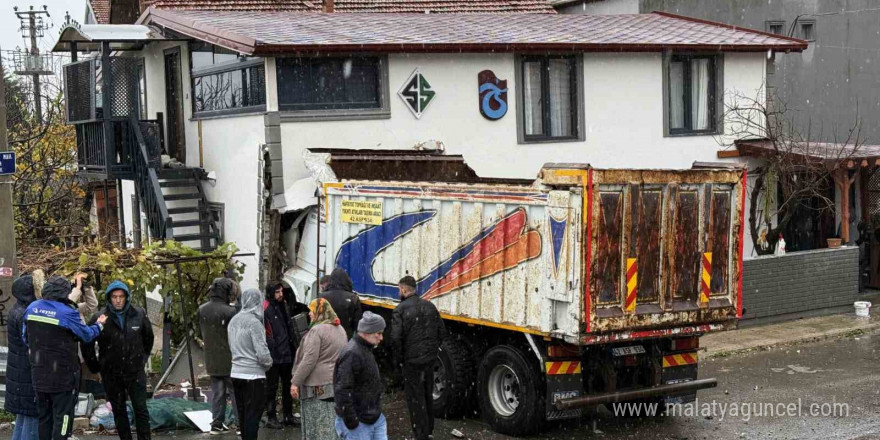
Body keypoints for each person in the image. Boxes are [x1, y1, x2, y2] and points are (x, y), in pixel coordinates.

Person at [23, 275, 107, 440]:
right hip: (62, 377)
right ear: (65, 293)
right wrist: (100, 325)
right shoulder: (67, 313)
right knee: (63, 417)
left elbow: (25, 338)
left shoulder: (32, 307)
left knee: (44, 417)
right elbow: (87, 335)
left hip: (39, 375)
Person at [83, 281, 154, 440]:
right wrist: (95, 366)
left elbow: (148, 338)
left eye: (121, 296)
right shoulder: (100, 317)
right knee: (119, 410)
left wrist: (142, 359)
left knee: (141, 409)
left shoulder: (139, 314)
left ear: (126, 297)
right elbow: (86, 340)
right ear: (109, 298)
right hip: (111, 373)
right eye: (114, 297)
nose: (118, 300)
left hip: (134, 372)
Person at [391, 276, 447, 440]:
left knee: (415, 399)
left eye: (398, 289)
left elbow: (395, 338)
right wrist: (431, 351)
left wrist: (400, 359)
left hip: (412, 362)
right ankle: (428, 430)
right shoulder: (430, 306)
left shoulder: (400, 310)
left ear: (403, 289)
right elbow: (441, 332)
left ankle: (420, 434)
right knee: (426, 394)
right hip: (429, 360)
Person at [290, 298, 347, 440]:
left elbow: (309, 360)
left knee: (317, 425)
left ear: (319, 311)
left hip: (317, 386)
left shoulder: (316, 331)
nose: (309, 314)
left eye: (311, 311)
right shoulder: (340, 328)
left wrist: (295, 382)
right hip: (335, 383)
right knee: (331, 423)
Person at [333, 311, 388, 440]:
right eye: (378, 333)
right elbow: (342, 390)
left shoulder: (364, 349)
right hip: (360, 423)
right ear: (367, 332)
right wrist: (352, 421)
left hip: (373, 418)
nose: (381, 338)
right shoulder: (352, 353)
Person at [228, 289, 274, 440]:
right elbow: (262, 353)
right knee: (253, 418)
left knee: (242, 416)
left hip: (236, 373)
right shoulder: (254, 323)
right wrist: (268, 363)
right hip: (254, 376)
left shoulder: (233, 321)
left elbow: (231, 346)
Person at [198, 278, 239, 434]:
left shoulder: (202, 309)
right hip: (230, 359)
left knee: (217, 393)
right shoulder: (230, 311)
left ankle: (216, 424)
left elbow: (199, 332)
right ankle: (240, 425)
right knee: (235, 393)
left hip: (212, 358)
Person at [6, 275, 39, 440]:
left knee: (23, 417)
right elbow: (31, 344)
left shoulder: (17, 309)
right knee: (32, 419)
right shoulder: (25, 315)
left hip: (19, 374)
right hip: (26, 375)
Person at [263, 283, 295, 429]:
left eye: (281, 291)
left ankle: (288, 415)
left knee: (287, 385)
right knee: (272, 388)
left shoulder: (283, 305)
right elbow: (267, 331)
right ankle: (271, 416)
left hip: (286, 352)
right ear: (271, 293)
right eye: (277, 292)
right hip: (274, 355)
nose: (280, 294)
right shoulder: (266, 308)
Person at [320, 268, 363, 339]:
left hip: (325, 338)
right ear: (347, 281)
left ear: (331, 280)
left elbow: (315, 320)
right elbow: (357, 325)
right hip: (345, 338)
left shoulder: (321, 297)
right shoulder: (353, 298)